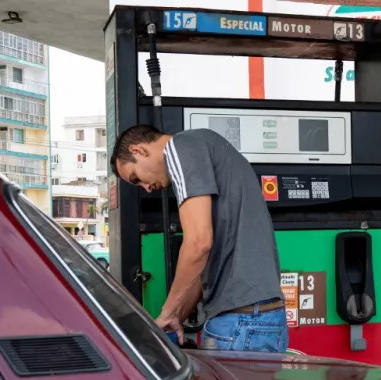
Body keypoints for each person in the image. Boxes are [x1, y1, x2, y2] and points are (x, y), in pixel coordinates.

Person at [110, 124, 288, 353]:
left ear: (138, 151)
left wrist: (167, 311)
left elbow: (198, 244)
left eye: (136, 178)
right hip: (266, 319)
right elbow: (203, 260)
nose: (146, 188)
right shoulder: (210, 148)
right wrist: (177, 316)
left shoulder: (179, 147)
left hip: (238, 325)